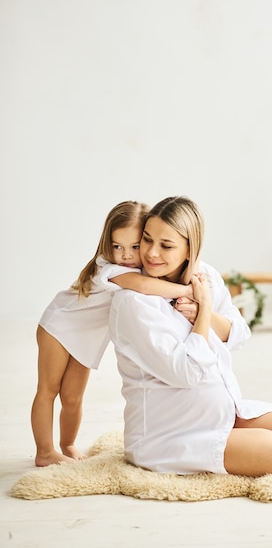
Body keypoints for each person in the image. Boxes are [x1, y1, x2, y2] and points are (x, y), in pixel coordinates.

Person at [109, 196, 272, 478]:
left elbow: (238, 334)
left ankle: (236, 436)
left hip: (224, 413)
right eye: (147, 240)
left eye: (166, 245)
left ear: (191, 250)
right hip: (170, 433)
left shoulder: (205, 276)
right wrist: (201, 317)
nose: (151, 253)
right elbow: (186, 373)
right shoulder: (133, 303)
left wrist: (206, 309)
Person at [31, 200, 195, 467]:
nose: (126, 255)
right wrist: (188, 291)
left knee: (72, 398)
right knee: (48, 390)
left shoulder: (142, 267)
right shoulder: (109, 268)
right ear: (108, 245)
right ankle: (44, 451)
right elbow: (142, 286)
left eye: (134, 246)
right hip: (60, 327)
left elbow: (153, 283)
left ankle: (67, 444)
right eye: (118, 246)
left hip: (85, 339)